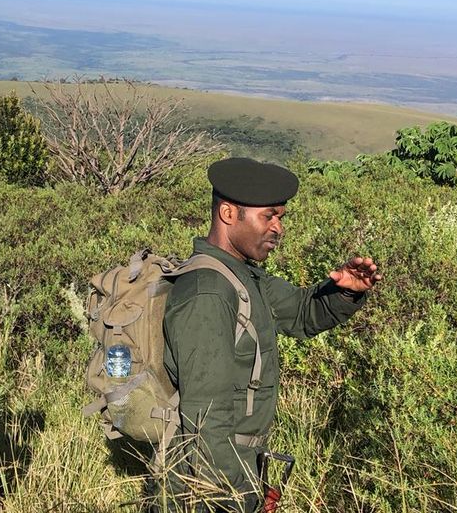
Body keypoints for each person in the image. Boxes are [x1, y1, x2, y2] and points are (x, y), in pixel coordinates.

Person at [163, 158, 381, 511]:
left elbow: (301, 314)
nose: (279, 228)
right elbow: (205, 418)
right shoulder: (208, 291)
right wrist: (235, 498)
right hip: (205, 483)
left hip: (240, 466)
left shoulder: (243, 276)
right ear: (229, 214)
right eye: (269, 216)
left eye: (281, 217)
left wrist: (346, 292)